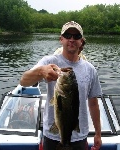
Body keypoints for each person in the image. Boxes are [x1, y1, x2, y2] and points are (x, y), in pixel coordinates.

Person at [20, 21, 102, 150]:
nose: (71, 39)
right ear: (61, 39)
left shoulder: (90, 69)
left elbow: (93, 103)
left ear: (81, 41)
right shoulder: (48, 61)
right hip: (51, 136)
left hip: (79, 137)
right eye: (68, 35)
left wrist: (98, 133)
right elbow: (23, 81)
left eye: (76, 36)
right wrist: (40, 71)